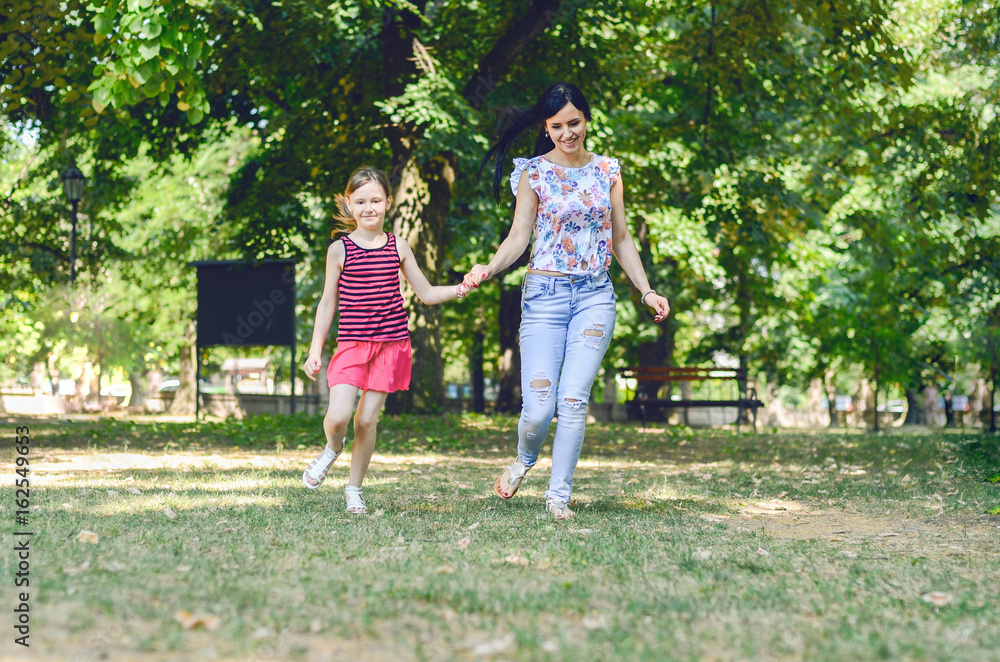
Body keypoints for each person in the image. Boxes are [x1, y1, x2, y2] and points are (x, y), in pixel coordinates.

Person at [464, 82, 670, 520]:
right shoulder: (533, 172)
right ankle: (523, 459)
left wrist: (646, 289)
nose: (567, 133)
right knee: (538, 408)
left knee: (574, 400)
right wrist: (488, 268)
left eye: (574, 123)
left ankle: (559, 495)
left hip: (595, 296)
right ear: (547, 127)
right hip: (544, 297)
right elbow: (519, 236)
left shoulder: (608, 170)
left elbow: (621, 237)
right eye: (557, 126)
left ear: (587, 120)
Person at [303, 166, 471, 513]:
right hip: (351, 345)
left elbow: (424, 293)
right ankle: (332, 449)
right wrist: (314, 349)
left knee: (367, 420)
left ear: (388, 203)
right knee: (337, 418)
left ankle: (354, 489)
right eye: (361, 201)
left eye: (376, 200)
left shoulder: (399, 247)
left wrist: (460, 288)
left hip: (391, 346)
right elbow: (327, 302)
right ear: (349, 204)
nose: (369, 208)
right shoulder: (339, 250)